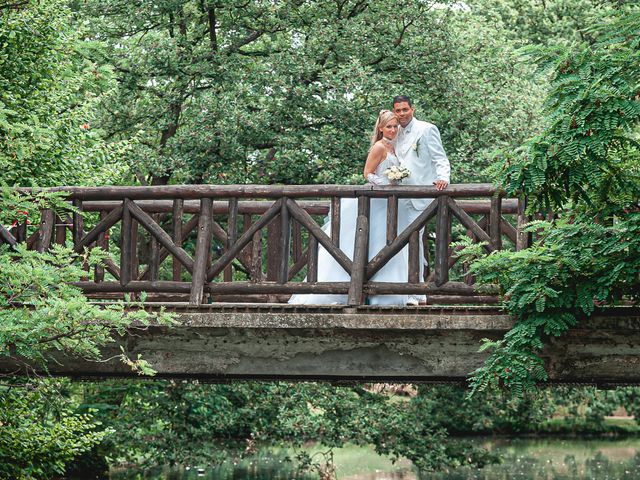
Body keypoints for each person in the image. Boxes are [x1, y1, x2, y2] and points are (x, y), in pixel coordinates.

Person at [289, 110, 409, 306]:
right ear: (380, 128)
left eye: (395, 126)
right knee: (373, 241)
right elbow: (368, 173)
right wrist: (386, 185)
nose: (393, 130)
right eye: (389, 126)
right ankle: (340, 289)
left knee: (387, 245)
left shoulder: (395, 147)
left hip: (392, 201)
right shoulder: (379, 147)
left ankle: (389, 292)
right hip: (378, 200)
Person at [392, 95, 450, 305]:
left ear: (412, 109)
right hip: (397, 197)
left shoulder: (427, 129)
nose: (401, 114)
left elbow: (439, 158)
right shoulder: (393, 131)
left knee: (414, 240)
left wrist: (443, 178)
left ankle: (416, 291)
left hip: (420, 197)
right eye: (397, 110)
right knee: (397, 243)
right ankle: (398, 288)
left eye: (405, 109)